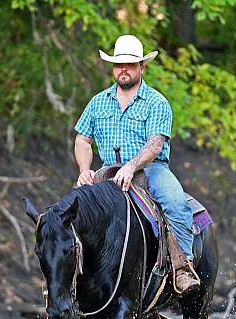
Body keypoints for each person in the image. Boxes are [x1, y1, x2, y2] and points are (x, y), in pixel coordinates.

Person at [73, 34, 200, 294]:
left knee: (175, 202)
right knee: (71, 211)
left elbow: (155, 144)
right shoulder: (98, 102)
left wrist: (131, 166)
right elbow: (82, 140)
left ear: (142, 67)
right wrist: (85, 170)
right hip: (107, 170)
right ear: (113, 68)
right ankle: (70, 276)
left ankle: (182, 266)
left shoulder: (156, 102)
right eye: (119, 65)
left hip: (151, 169)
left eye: (130, 65)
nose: (123, 70)